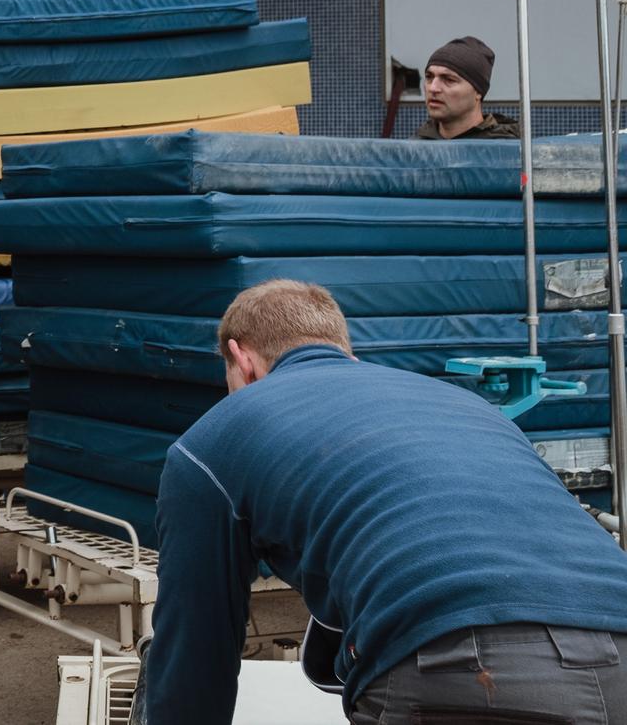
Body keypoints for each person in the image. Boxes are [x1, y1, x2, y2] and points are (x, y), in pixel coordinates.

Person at [139, 280, 627, 724]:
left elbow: (196, 647)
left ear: (241, 358)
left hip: (461, 664)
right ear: (343, 348)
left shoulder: (212, 440)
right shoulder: (467, 407)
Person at [415, 35, 519, 140]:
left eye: (449, 80)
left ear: (478, 92)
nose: (433, 88)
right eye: (429, 77)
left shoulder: (505, 149)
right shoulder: (415, 150)